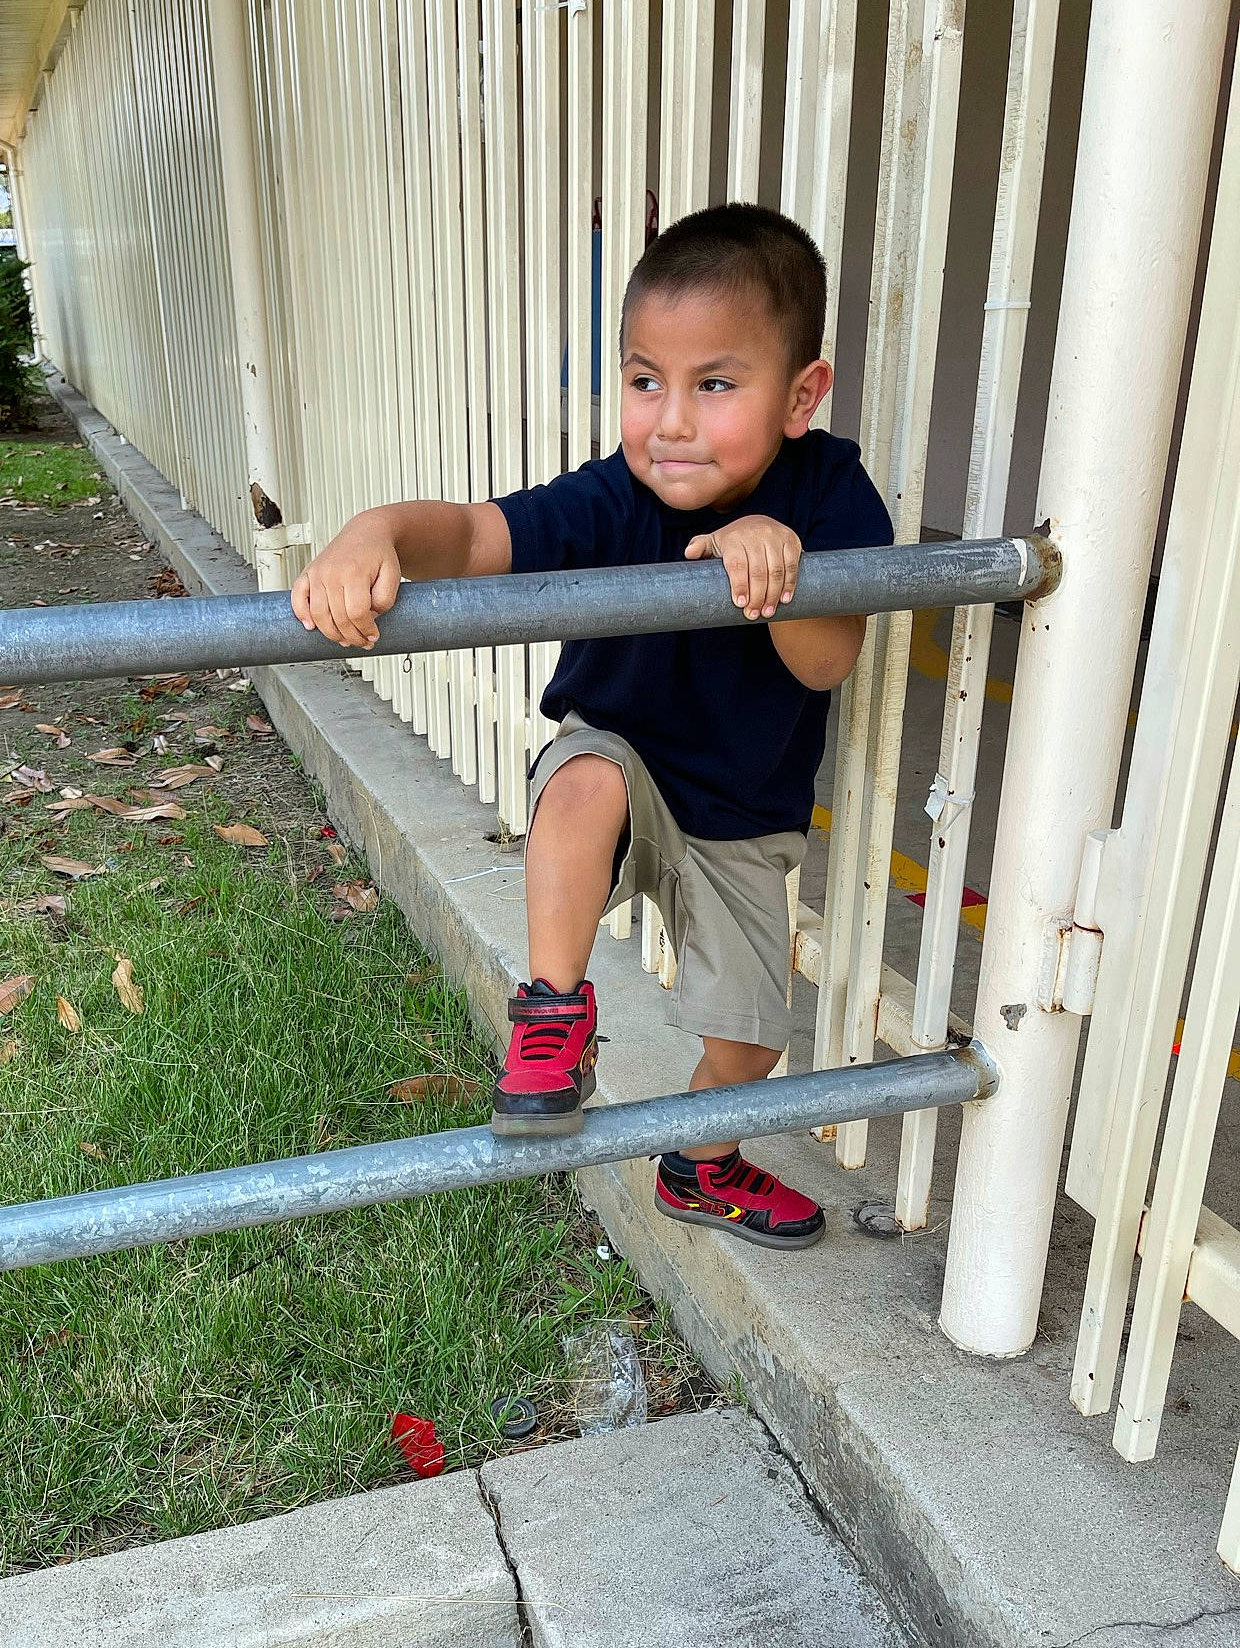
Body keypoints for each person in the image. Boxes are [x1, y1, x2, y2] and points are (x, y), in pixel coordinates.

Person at [289, 202, 892, 1251]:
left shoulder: (829, 490)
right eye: (645, 378)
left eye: (716, 384)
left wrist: (775, 557)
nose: (670, 419)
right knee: (582, 776)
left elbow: (829, 659)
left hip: (742, 814)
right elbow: (478, 533)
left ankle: (701, 1167)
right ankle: (553, 1014)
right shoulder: (616, 495)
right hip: (623, 770)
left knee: (749, 1048)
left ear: (801, 396)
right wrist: (372, 529)